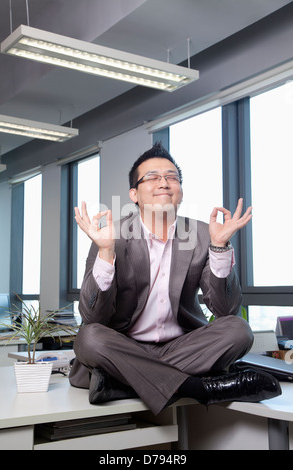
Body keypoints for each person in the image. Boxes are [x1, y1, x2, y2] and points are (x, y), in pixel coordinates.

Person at [69, 142, 281, 415]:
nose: (164, 183)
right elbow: (93, 315)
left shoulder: (204, 233)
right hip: (124, 343)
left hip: (183, 347)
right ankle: (197, 388)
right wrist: (106, 251)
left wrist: (218, 248)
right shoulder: (111, 234)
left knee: (238, 330)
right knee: (90, 337)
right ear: (134, 193)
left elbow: (226, 311)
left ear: (180, 192)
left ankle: (123, 382)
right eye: (152, 177)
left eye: (172, 177)